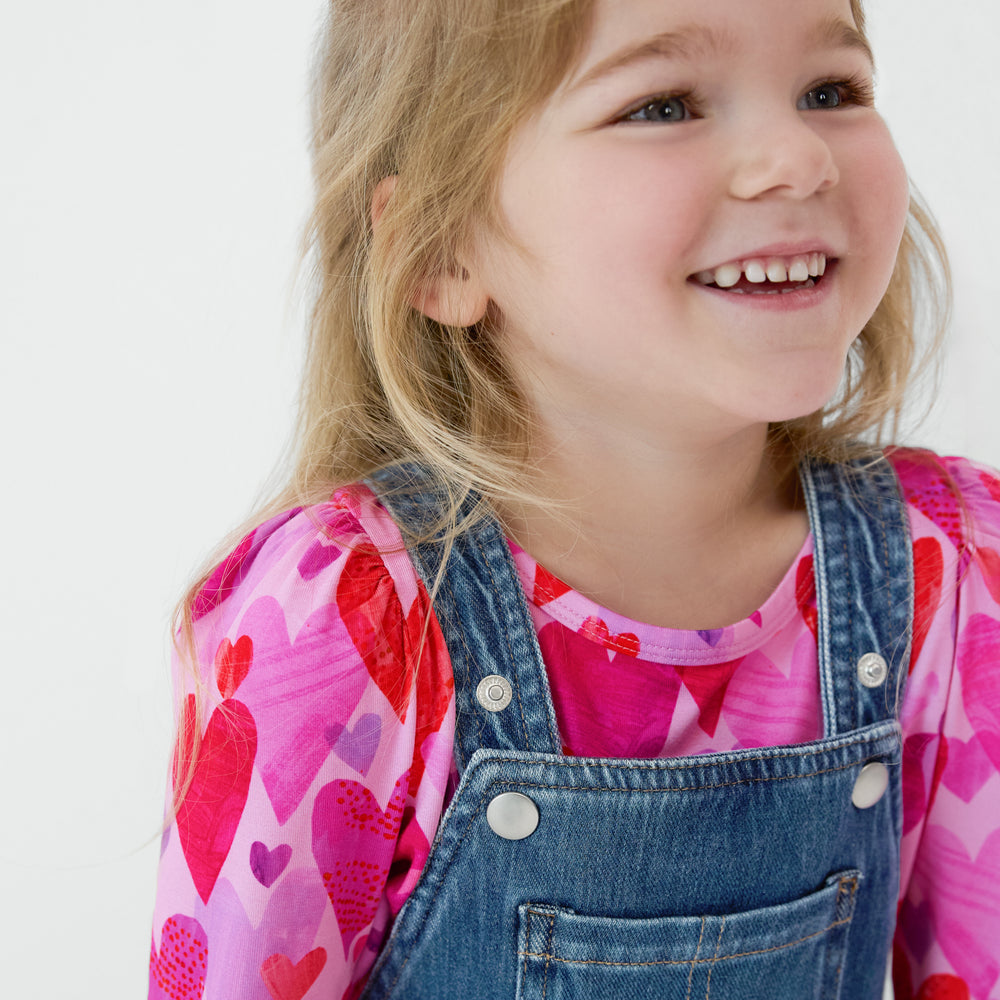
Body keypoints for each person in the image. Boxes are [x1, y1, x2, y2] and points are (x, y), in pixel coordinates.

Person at [148, 0, 1000, 997]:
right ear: (440, 249)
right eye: (662, 103)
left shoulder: (949, 567)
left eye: (830, 90)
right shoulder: (347, 617)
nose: (797, 155)